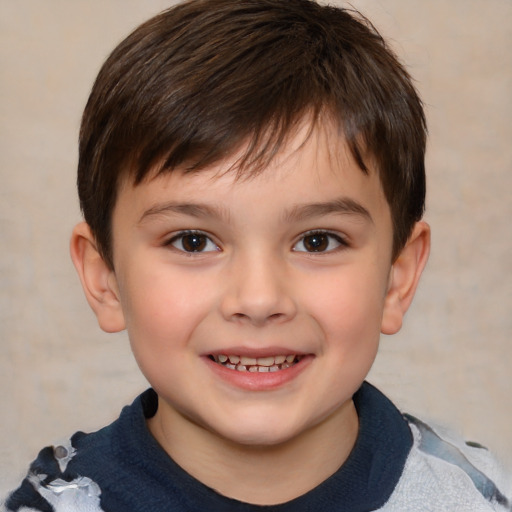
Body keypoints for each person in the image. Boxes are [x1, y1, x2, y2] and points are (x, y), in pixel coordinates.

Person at [4, 0, 510, 510]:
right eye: (193, 241)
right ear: (104, 276)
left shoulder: (477, 497)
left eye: (318, 241)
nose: (260, 298)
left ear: (397, 278)